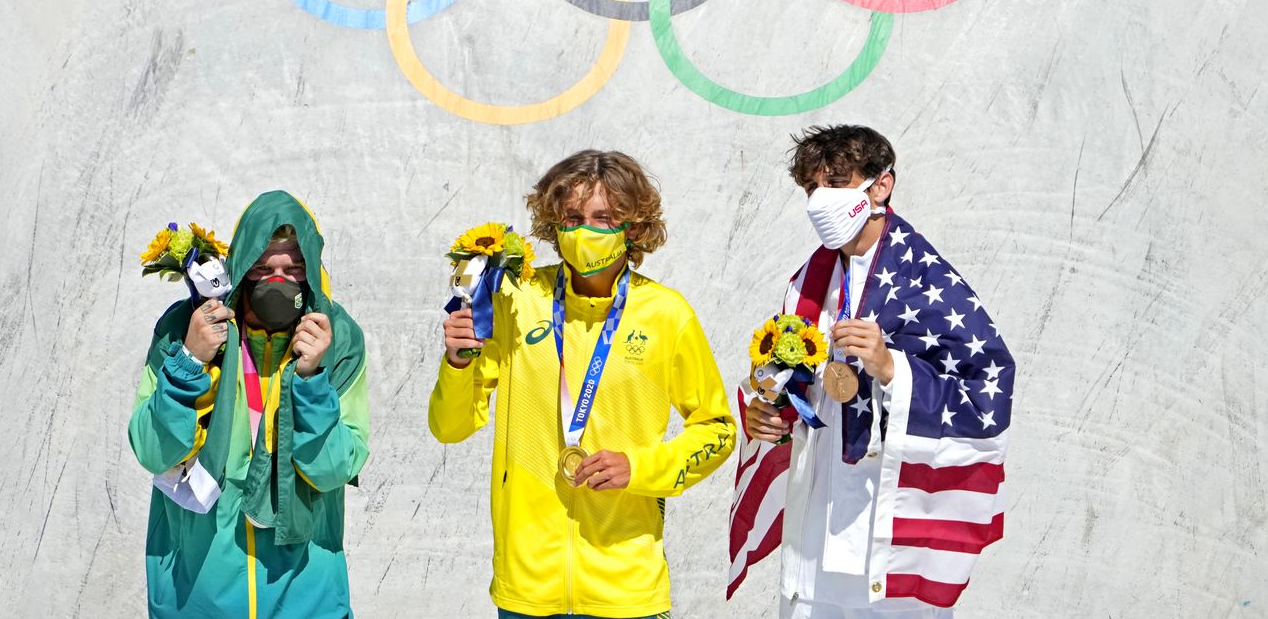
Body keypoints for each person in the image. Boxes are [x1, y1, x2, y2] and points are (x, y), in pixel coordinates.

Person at [429, 150, 735, 619]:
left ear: (633, 227)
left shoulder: (666, 314)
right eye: (571, 218)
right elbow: (450, 428)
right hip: (527, 585)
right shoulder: (517, 301)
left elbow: (717, 431)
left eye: (603, 218)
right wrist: (456, 363)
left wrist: (640, 467)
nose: (583, 230)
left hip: (626, 587)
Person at [728, 126, 1014, 617]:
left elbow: (986, 393)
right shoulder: (808, 282)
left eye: (837, 183)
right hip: (814, 533)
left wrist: (891, 368)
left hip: (884, 537)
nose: (821, 199)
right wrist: (768, 417)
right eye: (812, 187)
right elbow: (793, 387)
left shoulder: (925, 279)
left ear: (881, 185)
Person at [128, 190, 369, 618]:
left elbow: (334, 469)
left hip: (306, 597)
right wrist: (190, 361)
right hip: (198, 596)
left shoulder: (337, 340)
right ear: (240, 268)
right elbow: (152, 450)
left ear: (312, 273)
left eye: (293, 269)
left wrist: (312, 379)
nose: (278, 280)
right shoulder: (186, 328)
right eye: (262, 268)